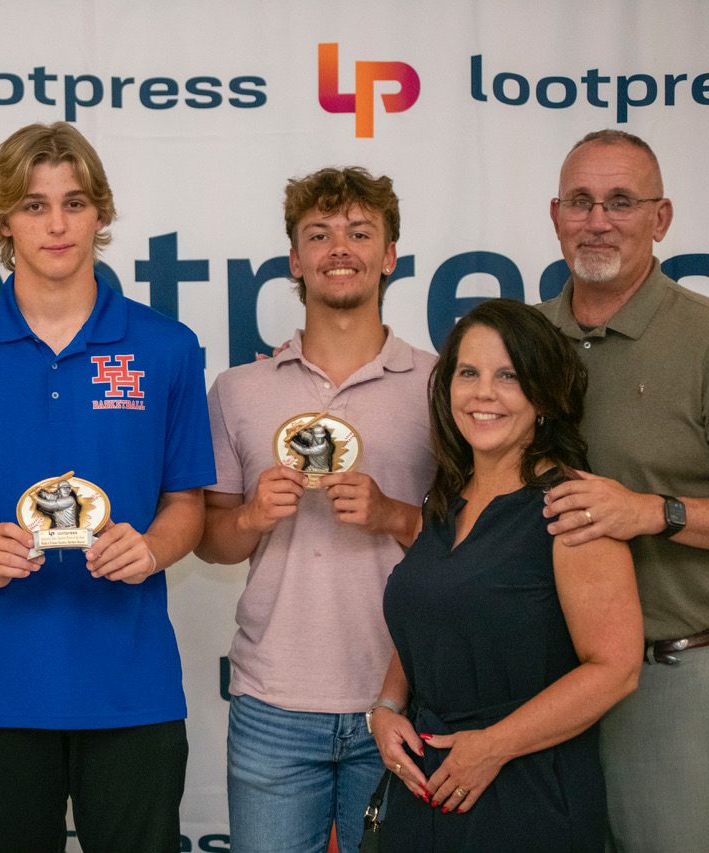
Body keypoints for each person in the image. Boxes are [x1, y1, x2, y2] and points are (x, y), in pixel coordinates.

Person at [0, 121, 215, 853]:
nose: (57, 224)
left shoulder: (165, 346)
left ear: (100, 214)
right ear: (3, 221)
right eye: (34, 206)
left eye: (74, 203)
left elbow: (187, 504)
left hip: (132, 691)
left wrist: (152, 549)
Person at [196, 167, 435, 853]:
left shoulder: (441, 383)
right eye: (319, 234)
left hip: (405, 695)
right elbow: (211, 540)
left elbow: (474, 541)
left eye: (360, 233)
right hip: (273, 702)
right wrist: (251, 517)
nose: (340, 249)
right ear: (295, 260)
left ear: (389, 255)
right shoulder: (238, 389)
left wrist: (394, 516)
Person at [371, 298, 642, 851]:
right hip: (427, 787)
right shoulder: (444, 499)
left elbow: (616, 669)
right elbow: (430, 618)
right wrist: (387, 707)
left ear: (542, 396)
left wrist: (493, 745)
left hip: (530, 793)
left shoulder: (572, 505)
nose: (484, 393)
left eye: (509, 376)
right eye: (468, 373)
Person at [537, 129, 709, 852]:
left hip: (668, 679)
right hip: (535, 683)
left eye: (620, 202)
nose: (597, 220)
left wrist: (651, 511)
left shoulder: (702, 338)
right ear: (555, 217)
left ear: (660, 218)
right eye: (580, 201)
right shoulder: (519, 343)